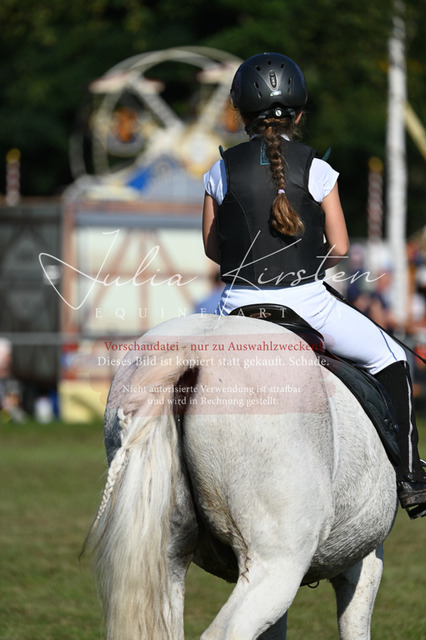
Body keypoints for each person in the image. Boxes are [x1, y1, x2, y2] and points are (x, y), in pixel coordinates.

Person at [202, 52, 426, 518]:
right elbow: (340, 247)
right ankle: (411, 477)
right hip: (308, 305)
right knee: (392, 357)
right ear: (299, 115)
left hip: (235, 307)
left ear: (240, 114)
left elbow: (211, 249)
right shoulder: (318, 168)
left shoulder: (219, 170)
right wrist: (302, 264)